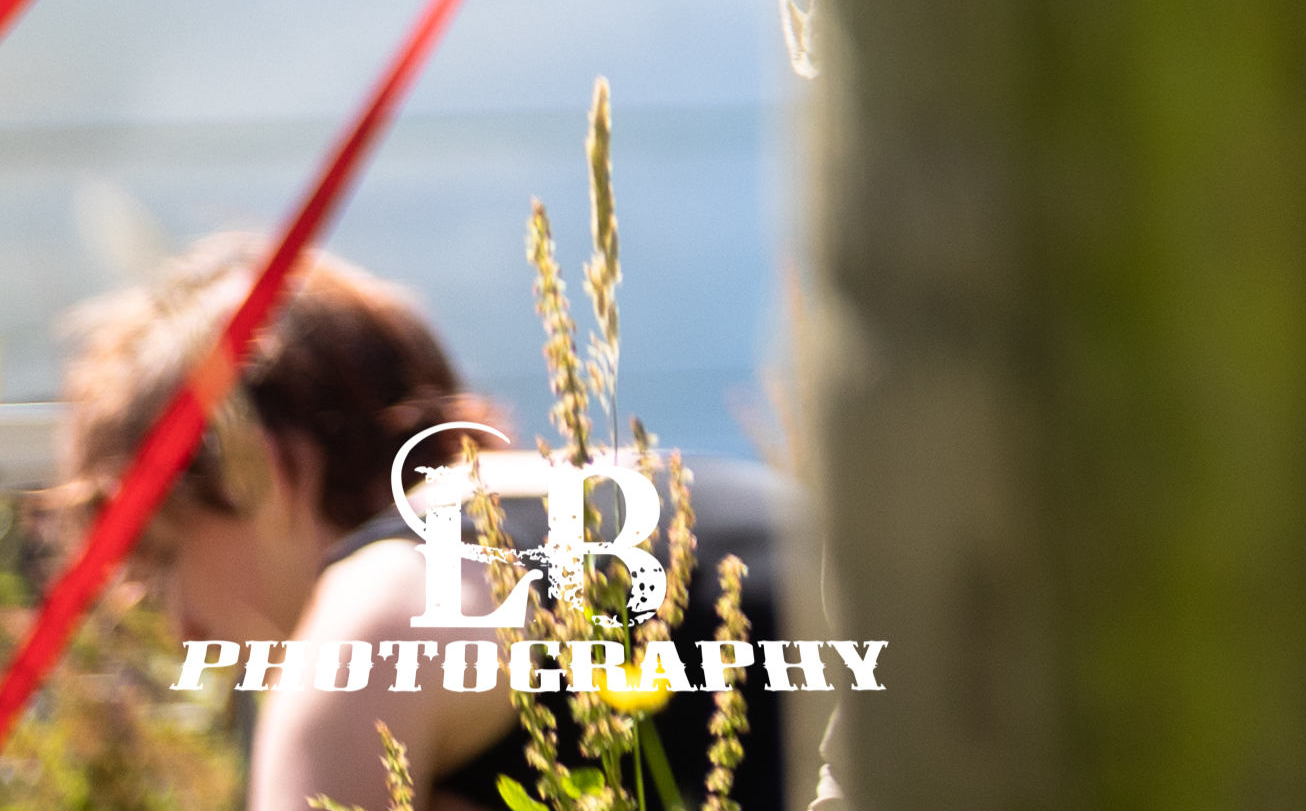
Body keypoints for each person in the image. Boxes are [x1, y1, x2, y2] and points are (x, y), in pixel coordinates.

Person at [44, 238, 787, 811]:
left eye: (166, 555)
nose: (178, 628)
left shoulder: (381, 607)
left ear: (260, 473)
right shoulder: (642, 488)